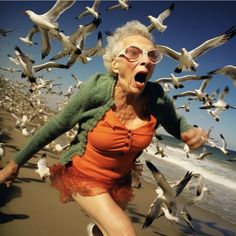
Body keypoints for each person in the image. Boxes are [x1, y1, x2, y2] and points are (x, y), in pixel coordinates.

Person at [0, 21, 207, 236]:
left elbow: (176, 122)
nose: (145, 60)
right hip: (84, 175)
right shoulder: (98, 89)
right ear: (115, 64)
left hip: (120, 181)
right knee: (125, 233)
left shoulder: (157, 97)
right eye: (134, 53)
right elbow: (57, 125)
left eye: (151, 55)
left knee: (106, 231)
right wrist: (15, 165)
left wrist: (188, 132)